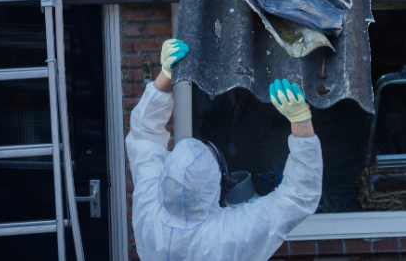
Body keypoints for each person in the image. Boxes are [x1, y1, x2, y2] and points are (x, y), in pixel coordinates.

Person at [126, 39, 322, 261]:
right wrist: (301, 122)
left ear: (166, 175)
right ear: (216, 185)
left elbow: (144, 135)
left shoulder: (149, 211)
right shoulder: (229, 235)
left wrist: (165, 76)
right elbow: (298, 197)